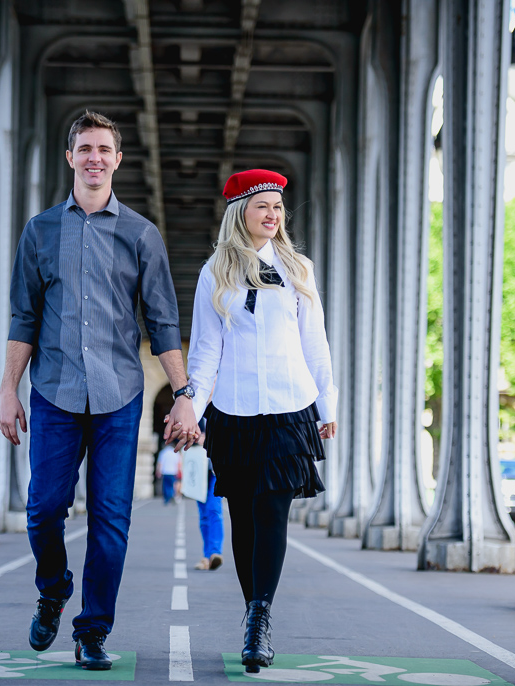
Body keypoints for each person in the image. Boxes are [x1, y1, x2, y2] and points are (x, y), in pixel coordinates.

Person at [0, 111, 201, 671]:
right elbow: (23, 317)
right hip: (55, 392)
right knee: (43, 511)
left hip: (118, 397)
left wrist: (183, 392)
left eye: (103, 149)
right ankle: (54, 588)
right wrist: (8, 390)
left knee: (112, 520)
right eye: (84, 148)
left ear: (117, 159)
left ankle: (92, 631)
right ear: (70, 158)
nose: (94, 158)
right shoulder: (39, 231)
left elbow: (162, 321)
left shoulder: (140, 234)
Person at [186, 169, 338, 673]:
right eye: (262, 206)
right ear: (240, 213)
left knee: (272, 512)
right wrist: (192, 402)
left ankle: (259, 619)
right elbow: (207, 351)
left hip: (288, 409)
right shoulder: (215, 273)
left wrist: (326, 405)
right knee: (243, 520)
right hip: (233, 412)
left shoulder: (299, 269)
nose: (273, 215)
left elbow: (314, 343)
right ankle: (253, 610)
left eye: (278, 207)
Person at [189, 421, 224, 571]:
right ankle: (207, 556)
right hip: (198, 468)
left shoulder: (221, 405)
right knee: (204, 513)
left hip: (217, 467)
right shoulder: (194, 408)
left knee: (214, 508)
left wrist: (209, 439)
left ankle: (214, 552)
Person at [155, 440, 181, 505]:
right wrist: (179, 471)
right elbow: (178, 463)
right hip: (173, 471)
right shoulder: (175, 452)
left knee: (165, 485)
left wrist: (158, 471)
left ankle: (167, 498)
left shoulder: (163, 452)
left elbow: (160, 463)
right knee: (172, 485)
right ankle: (171, 495)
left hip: (165, 471)